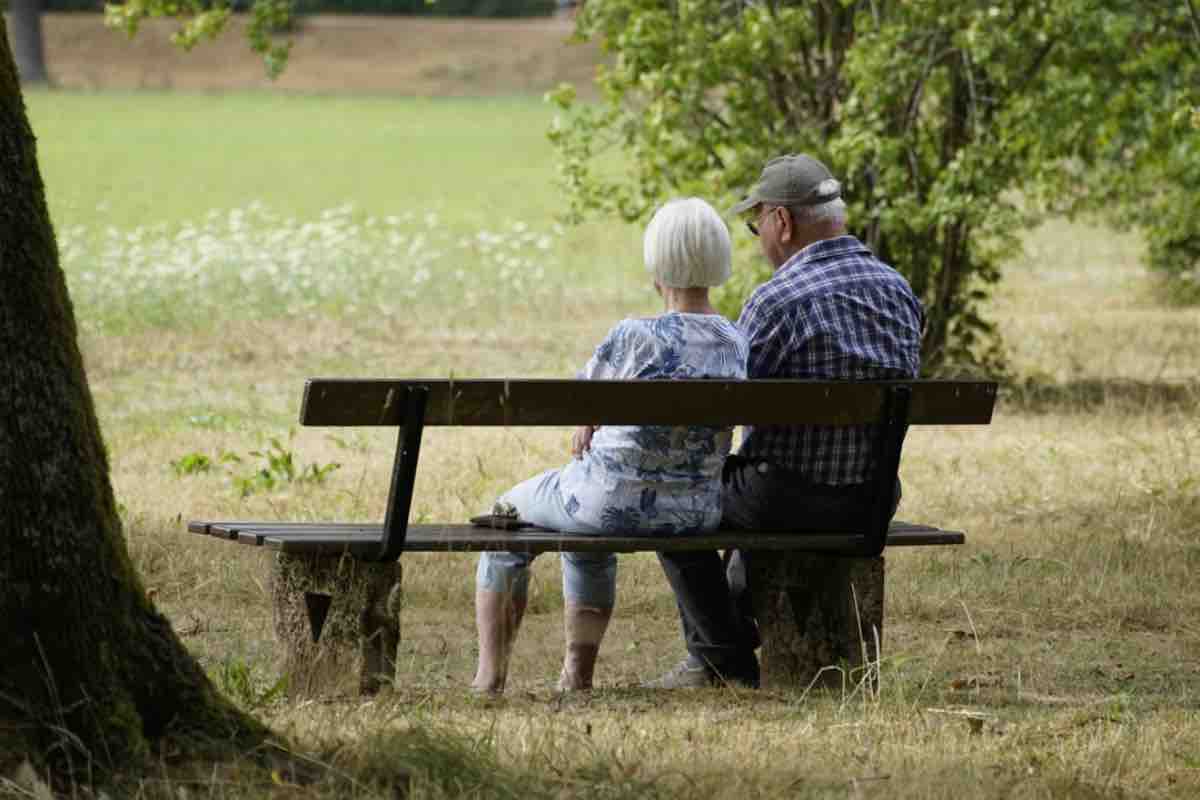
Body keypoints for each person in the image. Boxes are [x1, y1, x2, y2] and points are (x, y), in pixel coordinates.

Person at [646, 154, 925, 689]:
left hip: (786, 498)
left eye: (756, 227)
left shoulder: (776, 301)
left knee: (673, 495)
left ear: (782, 222)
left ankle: (720, 659)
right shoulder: (899, 291)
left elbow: (724, 406)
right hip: (872, 498)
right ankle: (730, 639)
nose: (758, 240)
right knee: (751, 482)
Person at [471, 197, 749, 693]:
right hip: (693, 511)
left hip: (606, 502)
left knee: (506, 516)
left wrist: (590, 420)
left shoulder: (632, 336)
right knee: (584, 529)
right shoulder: (735, 340)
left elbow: (582, 400)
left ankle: (489, 678)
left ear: (656, 262)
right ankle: (576, 676)